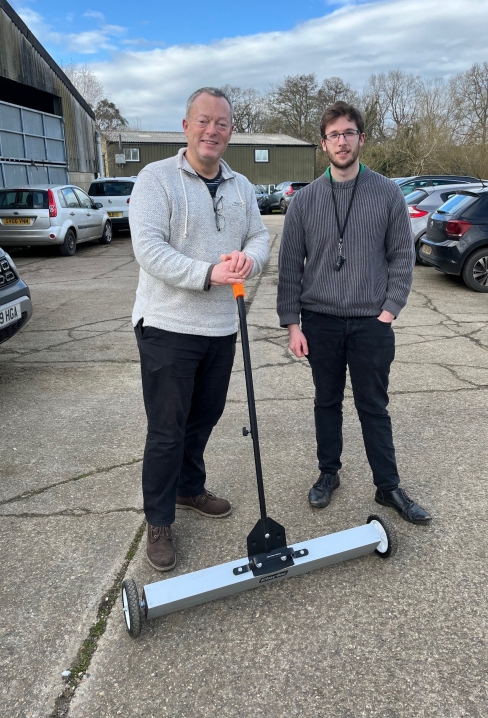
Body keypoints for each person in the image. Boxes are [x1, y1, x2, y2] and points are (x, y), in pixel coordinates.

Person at [130, 87, 270, 571]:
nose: (212, 131)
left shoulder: (241, 186)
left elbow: (258, 234)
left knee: (205, 416)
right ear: (186, 126)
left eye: (222, 124)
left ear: (231, 132)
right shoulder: (156, 179)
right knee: (166, 429)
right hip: (168, 325)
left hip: (220, 326)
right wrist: (208, 272)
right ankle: (160, 520)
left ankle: (189, 489)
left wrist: (248, 259)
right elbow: (148, 248)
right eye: (203, 121)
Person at [277, 101, 431, 525]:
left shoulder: (386, 193)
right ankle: (329, 473)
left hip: (371, 323)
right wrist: (293, 325)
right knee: (326, 402)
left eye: (348, 133)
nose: (341, 141)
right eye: (333, 135)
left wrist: (389, 311)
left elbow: (403, 256)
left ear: (361, 139)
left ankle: (388, 486)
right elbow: (290, 267)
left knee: (374, 406)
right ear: (323, 144)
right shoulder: (304, 201)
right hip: (320, 321)